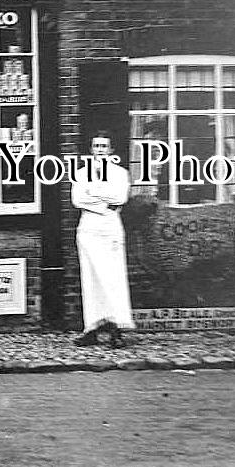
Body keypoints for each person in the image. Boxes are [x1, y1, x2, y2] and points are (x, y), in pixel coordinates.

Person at [71, 131, 134, 347]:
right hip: (88, 228)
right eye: (96, 146)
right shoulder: (80, 174)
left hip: (110, 229)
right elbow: (77, 199)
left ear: (111, 150)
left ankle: (116, 330)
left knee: (113, 279)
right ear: (91, 149)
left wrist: (94, 196)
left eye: (104, 146)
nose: (99, 150)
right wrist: (102, 204)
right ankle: (92, 328)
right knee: (90, 279)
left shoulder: (120, 174)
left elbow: (120, 198)